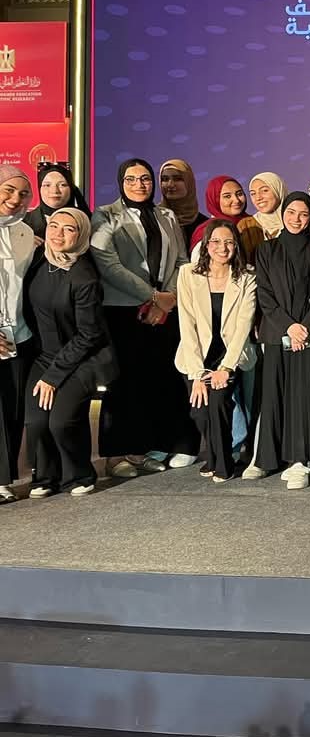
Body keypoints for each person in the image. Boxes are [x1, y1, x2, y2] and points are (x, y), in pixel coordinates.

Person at [90, 158, 199, 476]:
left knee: (158, 379)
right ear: (121, 182)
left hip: (164, 311)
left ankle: (145, 449)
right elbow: (108, 264)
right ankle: (117, 454)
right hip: (123, 311)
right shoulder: (105, 214)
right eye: (131, 179)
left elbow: (181, 260)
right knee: (124, 383)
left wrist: (167, 299)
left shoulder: (166, 215)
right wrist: (152, 296)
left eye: (145, 179)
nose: (139, 185)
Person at [252, 192, 310, 489]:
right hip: (278, 333)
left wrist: (305, 326)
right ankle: (271, 458)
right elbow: (265, 294)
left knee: (306, 398)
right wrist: (289, 326)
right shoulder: (267, 249)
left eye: (304, 214)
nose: (297, 219)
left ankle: (301, 460)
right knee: (277, 397)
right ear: (283, 214)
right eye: (291, 213)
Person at [22, 208, 116, 499]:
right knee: (36, 421)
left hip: (83, 359)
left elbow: (89, 335)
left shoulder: (84, 276)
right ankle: (46, 475)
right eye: (54, 226)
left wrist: (53, 376)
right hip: (44, 356)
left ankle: (79, 474)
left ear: (81, 235)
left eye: (69, 229)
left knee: (60, 422)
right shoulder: (37, 261)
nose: (58, 234)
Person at [174, 220, 257, 483]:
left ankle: (223, 463)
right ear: (206, 245)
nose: (223, 248)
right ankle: (213, 455)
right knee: (200, 410)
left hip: (230, 355)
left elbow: (244, 325)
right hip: (195, 355)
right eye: (216, 242)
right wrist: (198, 374)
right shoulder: (188, 274)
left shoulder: (247, 276)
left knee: (219, 402)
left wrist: (226, 368)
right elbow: (186, 324)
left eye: (229, 242)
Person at [0, 167, 37, 504]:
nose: (15, 199)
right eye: (8, 190)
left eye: (23, 193)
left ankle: (4, 477)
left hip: (18, 335)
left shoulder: (26, 233)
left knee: (13, 409)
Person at [24, 162, 90, 246]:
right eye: (47, 185)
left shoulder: (86, 222)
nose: (55, 191)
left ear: (71, 189)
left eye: (62, 185)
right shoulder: (23, 223)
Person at [239, 171, 288, 265]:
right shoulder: (246, 226)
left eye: (265, 190)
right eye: (253, 193)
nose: (258, 198)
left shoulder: (297, 221)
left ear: (278, 190)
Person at [159, 159, 206, 249]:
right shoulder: (154, 218)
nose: (170, 184)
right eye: (165, 179)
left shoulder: (205, 225)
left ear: (189, 182)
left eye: (177, 179)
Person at [190, 175, 248, 249]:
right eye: (227, 196)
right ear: (215, 200)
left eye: (239, 194)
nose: (236, 200)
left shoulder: (253, 221)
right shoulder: (207, 230)